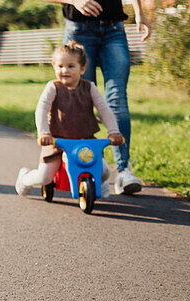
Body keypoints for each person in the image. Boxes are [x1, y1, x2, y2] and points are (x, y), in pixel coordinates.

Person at [39, 0, 151, 195]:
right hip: (80, 34)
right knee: (78, 103)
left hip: (114, 30)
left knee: (117, 102)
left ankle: (123, 171)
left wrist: (140, 13)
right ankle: (85, 167)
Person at [15, 41, 125, 196]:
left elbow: (104, 109)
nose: (64, 70)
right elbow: (42, 108)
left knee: (105, 172)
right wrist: (44, 133)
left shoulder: (89, 87)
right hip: (57, 141)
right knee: (45, 177)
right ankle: (25, 178)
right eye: (60, 66)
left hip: (85, 141)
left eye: (71, 66)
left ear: (83, 68)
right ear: (54, 67)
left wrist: (113, 131)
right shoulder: (53, 87)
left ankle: (99, 183)